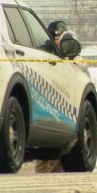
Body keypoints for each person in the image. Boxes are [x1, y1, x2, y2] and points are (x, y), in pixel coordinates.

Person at [35, 20, 68, 173]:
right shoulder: (44, 50)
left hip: (62, 102)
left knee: (59, 146)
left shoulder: (65, 51)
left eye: (62, 35)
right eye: (57, 35)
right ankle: (42, 174)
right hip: (45, 101)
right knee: (45, 143)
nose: (59, 38)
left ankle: (56, 172)